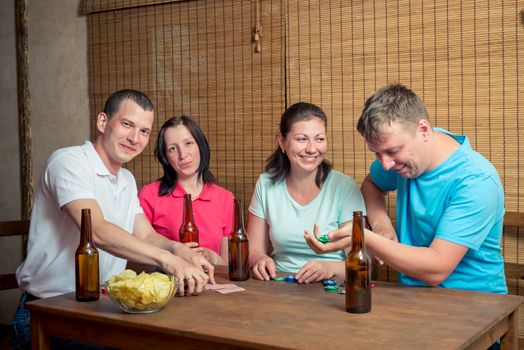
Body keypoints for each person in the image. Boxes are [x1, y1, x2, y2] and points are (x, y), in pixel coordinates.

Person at [13, 90, 214, 349]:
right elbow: (96, 230)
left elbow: (145, 234)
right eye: (127, 124)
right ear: (103, 122)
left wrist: (180, 251)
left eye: (144, 131)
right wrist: (168, 260)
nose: (134, 138)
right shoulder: (68, 161)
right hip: (46, 312)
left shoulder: (126, 180)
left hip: (102, 309)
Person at [305, 83, 507, 294]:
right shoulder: (408, 153)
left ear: (423, 130)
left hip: (474, 302)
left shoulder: (477, 181)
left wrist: (362, 236)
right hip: (412, 297)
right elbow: (371, 184)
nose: (385, 165)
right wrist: (382, 225)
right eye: (377, 153)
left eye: (392, 151)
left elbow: (437, 270)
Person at [248, 102, 366, 283]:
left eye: (319, 139)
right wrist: (258, 259)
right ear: (282, 141)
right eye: (302, 139)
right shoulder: (265, 184)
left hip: (331, 288)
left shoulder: (345, 187)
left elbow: (363, 263)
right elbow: (253, 249)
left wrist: (328, 268)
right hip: (279, 285)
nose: (312, 149)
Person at [138, 116, 234, 265]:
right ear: (166, 157)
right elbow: (136, 255)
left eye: (188, 143)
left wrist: (212, 257)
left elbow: (229, 266)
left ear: (200, 145)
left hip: (213, 284)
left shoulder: (225, 198)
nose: (183, 155)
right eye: (172, 149)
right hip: (168, 284)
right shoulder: (149, 195)